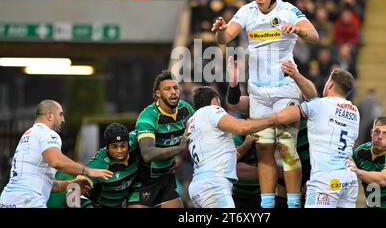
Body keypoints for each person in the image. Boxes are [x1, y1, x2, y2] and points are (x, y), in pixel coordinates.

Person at [212, 0, 319, 208]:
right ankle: (267, 205)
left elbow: (314, 35)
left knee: (287, 146)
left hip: (285, 87)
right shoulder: (246, 11)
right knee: (264, 151)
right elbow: (224, 37)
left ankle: (293, 204)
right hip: (258, 91)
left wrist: (299, 30)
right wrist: (220, 30)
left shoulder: (288, 10)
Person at [226, 57, 315, 207]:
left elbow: (313, 96)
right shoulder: (261, 101)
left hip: (310, 167)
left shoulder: (296, 94)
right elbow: (233, 103)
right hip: (282, 173)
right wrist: (234, 83)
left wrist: (295, 75)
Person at [270, 69, 360, 208]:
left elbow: (281, 117)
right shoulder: (354, 111)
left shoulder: (319, 105)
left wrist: (253, 123)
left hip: (325, 178)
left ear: (330, 84)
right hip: (348, 178)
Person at [0, 100, 112, 208]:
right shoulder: (48, 134)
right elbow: (55, 161)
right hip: (28, 200)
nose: (63, 120)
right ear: (50, 115)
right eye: (61, 114)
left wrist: (70, 183)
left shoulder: (28, 135)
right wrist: (88, 170)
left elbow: (46, 183)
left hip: (7, 199)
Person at [186, 86, 277, 208]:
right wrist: (271, 120)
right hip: (214, 185)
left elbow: (221, 156)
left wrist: (245, 145)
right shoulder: (212, 110)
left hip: (198, 186)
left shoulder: (192, 121)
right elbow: (241, 127)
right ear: (214, 101)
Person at [128, 70, 194, 208]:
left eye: (175, 88)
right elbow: (148, 154)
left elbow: (196, 136)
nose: (173, 92)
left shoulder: (186, 109)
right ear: (158, 94)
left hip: (166, 176)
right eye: (167, 89)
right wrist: (178, 149)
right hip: (144, 178)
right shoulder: (148, 117)